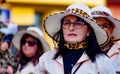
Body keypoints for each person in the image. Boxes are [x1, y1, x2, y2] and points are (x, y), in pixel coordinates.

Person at [35, 3, 116, 74]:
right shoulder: (46, 59)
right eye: (67, 23)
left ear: (88, 30)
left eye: (78, 23)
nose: (71, 28)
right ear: (62, 28)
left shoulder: (102, 62)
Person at [91, 6, 120, 73]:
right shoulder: (79, 52)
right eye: (96, 26)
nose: (101, 30)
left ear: (112, 28)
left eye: (105, 26)